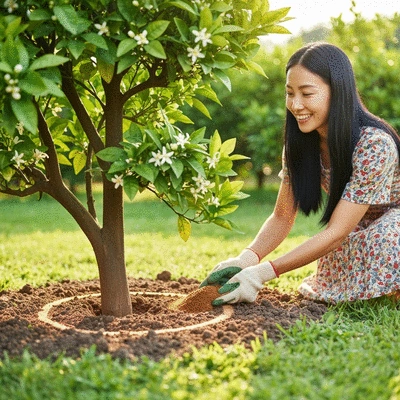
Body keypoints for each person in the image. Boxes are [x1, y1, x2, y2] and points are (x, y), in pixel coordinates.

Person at [201, 42, 400, 306]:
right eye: (289, 93)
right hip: (357, 228)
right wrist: (247, 258)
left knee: (383, 234)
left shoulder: (374, 144)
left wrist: (263, 273)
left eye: (307, 94)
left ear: (337, 92)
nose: (296, 105)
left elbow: (337, 231)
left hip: (390, 227)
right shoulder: (301, 143)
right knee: (344, 247)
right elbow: (283, 216)